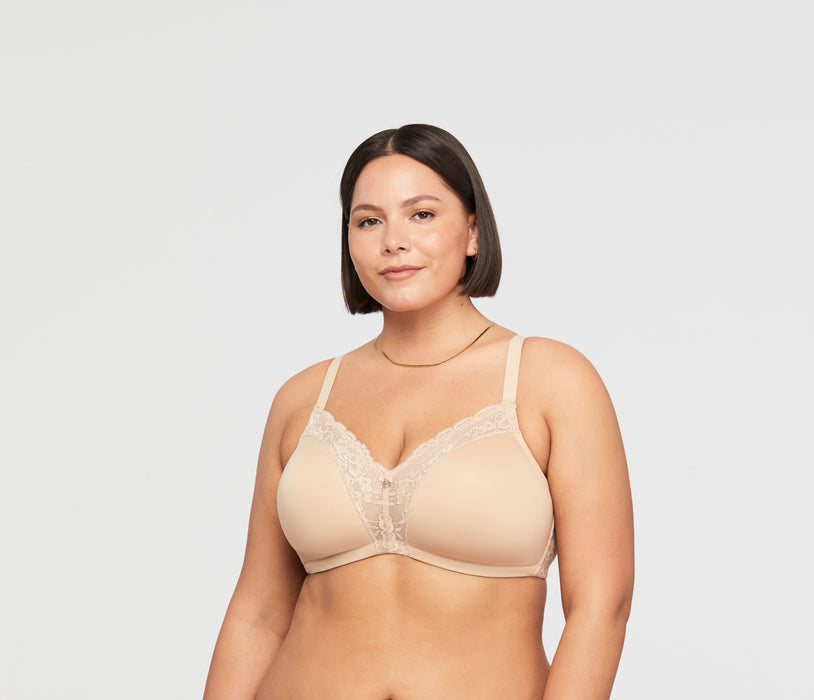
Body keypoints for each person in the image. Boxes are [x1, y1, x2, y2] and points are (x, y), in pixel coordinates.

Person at [203, 124, 634, 699]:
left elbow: (601, 605)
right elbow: (257, 613)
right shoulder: (304, 398)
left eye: (422, 214)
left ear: (473, 232)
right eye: (368, 221)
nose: (393, 241)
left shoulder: (549, 380)